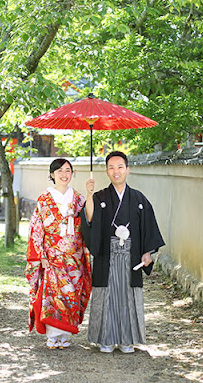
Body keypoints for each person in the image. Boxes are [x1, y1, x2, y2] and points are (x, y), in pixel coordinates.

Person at [82, 151, 165, 353]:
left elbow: (148, 228)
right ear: (107, 172)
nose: (116, 171)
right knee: (108, 295)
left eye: (120, 167)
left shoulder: (138, 198)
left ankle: (127, 340)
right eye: (111, 167)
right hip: (107, 254)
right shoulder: (100, 196)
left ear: (127, 169)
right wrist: (90, 195)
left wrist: (147, 253)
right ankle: (107, 340)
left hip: (131, 255)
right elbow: (89, 219)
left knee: (128, 296)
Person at [26, 158, 92, 349]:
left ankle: (65, 334)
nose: (64, 174)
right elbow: (36, 229)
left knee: (71, 293)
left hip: (74, 254)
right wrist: (41, 256)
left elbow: (89, 220)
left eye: (68, 170)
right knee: (53, 295)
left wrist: (90, 194)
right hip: (52, 255)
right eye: (60, 170)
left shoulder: (79, 198)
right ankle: (53, 335)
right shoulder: (44, 199)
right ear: (52, 174)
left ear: (72, 174)